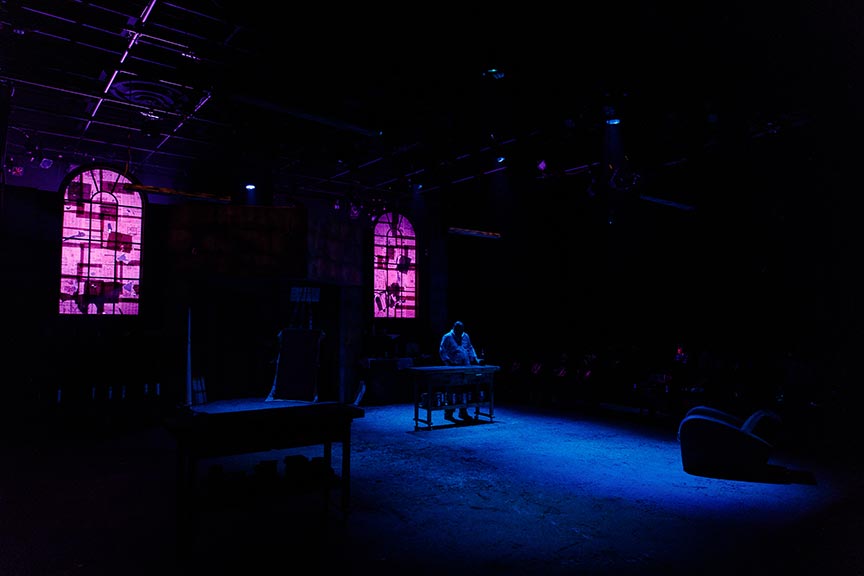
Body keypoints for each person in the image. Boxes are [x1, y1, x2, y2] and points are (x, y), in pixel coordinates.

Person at [439, 320, 479, 422]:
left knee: (464, 390)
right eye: (458, 330)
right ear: (454, 328)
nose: (460, 332)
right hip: (453, 367)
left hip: (465, 366)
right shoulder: (447, 337)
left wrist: (475, 358)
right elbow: (442, 350)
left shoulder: (465, 336)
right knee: (452, 390)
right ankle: (449, 412)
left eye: (461, 330)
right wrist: (448, 362)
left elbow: (470, 347)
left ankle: (463, 411)